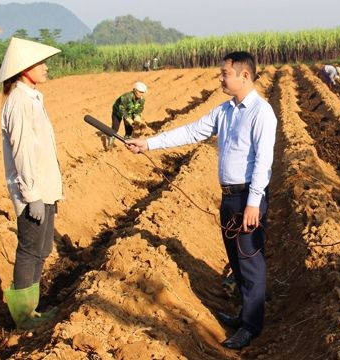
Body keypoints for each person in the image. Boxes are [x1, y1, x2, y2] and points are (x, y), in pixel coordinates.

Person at [125, 51, 277, 350]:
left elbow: (264, 161)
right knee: (236, 259)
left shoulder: (261, 112)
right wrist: (149, 144)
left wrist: (254, 203)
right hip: (230, 197)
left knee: (250, 263)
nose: (220, 77)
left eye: (225, 73)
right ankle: (245, 313)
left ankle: (251, 326)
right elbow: (192, 131)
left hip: (248, 196)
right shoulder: (225, 111)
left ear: (244, 76)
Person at [0, 37, 63, 330]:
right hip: (32, 191)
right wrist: (32, 195)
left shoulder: (34, 98)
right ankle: (23, 317)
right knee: (29, 250)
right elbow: (23, 152)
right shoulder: (20, 102)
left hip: (45, 189)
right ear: (25, 70)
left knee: (42, 250)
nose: (46, 68)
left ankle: (32, 310)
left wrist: (50, 193)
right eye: (41, 64)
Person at [107, 81, 147, 149]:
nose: (141, 94)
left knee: (129, 130)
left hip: (129, 112)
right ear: (134, 90)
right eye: (139, 92)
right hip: (118, 112)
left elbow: (138, 110)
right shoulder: (126, 97)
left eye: (142, 92)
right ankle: (110, 144)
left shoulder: (141, 100)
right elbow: (121, 109)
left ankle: (127, 145)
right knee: (115, 129)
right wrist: (129, 119)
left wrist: (137, 117)